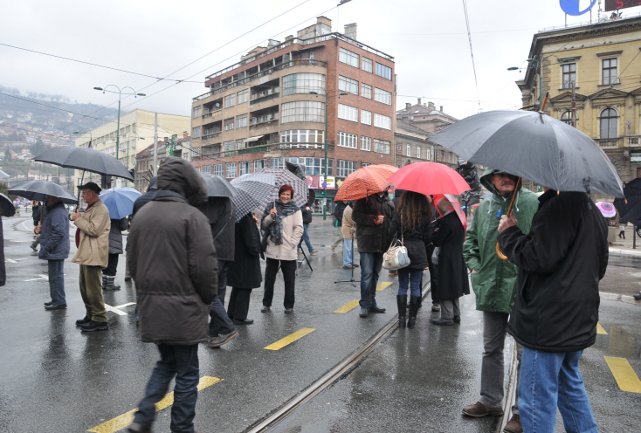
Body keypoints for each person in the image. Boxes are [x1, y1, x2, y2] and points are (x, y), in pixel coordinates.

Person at [497, 189, 608, 433]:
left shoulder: (558, 207)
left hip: (548, 321)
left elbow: (538, 257)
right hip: (577, 316)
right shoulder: (591, 210)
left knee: (536, 397)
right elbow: (600, 267)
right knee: (569, 384)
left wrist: (509, 234)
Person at [126, 157, 217, 433]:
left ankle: (143, 417)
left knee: (166, 362)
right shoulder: (192, 217)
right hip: (185, 310)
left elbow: (133, 263)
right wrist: (208, 298)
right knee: (188, 373)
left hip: (153, 308)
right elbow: (204, 267)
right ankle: (182, 428)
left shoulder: (142, 214)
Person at [462, 169, 538, 432]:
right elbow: (470, 241)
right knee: (491, 347)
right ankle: (490, 400)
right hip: (491, 287)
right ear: (490, 179)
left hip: (523, 288)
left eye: (511, 174)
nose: (506, 178)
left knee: (525, 353)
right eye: (500, 174)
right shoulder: (484, 206)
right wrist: (474, 266)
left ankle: (522, 412)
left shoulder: (532, 203)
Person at [70, 182, 111, 333]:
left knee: (93, 290)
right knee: (84, 288)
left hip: (93, 254)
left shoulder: (101, 209)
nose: (82, 195)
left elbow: (93, 230)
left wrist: (77, 219)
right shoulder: (92, 207)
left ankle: (99, 319)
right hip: (87, 253)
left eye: (85, 192)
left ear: (93, 193)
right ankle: (91, 315)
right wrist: (79, 217)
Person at [388, 191, 432, 328]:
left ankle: (401, 319)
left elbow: (391, 231)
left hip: (403, 250)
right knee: (415, 286)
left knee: (402, 285)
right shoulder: (425, 213)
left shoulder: (400, 211)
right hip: (419, 250)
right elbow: (429, 236)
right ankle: (412, 319)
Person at [199, 195, 238, 348]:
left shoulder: (215, 202)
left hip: (215, 253)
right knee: (218, 295)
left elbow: (206, 224)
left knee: (207, 293)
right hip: (226, 253)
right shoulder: (230, 203)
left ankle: (228, 328)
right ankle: (213, 333)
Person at [261, 184, 303, 313]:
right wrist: (270, 216)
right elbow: (263, 225)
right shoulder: (271, 206)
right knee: (269, 279)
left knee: (289, 279)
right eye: (283, 194)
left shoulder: (295, 209)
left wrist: (292, 243)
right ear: (279, 194)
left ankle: (289, 305)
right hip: (273, 247)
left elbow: (299, 228)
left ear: (291, 196)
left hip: (288, 249)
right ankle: (266, 304)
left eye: (288, 195)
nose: (285, 196)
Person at [352, 191, 394, 318]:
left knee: (375, 275)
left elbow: (391, 221)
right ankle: (364, 305)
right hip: (367, 242)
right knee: (367, 274)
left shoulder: (388, 202)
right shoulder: (364, 199)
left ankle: (371, 302)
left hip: (381, 244)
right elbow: (356, 216)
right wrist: (373, 219)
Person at [430, 196, 469, 326]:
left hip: (446, 258)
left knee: (445, 286)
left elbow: (437, 240)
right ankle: (456, 314)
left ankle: (447, 317)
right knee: (455, 286)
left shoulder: (446, 222)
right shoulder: (459, 218)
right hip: (457, 256)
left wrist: (435, 229)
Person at [227, 211, 262, 324]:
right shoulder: (246, 218)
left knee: (238, 286)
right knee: (245, 287)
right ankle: (240, 317)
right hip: (246, 258)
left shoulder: (236, 215)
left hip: (237, 256)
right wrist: (256, 251)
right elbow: (250, 239)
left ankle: (231, 314)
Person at [40, 195, 70, 310]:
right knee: (54, 277)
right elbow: (52, 229)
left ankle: (59, 301)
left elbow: (58, 233)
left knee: (56, 276)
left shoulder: (58, 212)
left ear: (56, 198)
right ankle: (56, 299)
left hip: (56, 250)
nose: (47, 198)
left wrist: (47, 248)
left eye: (49, 197)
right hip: (55, 250)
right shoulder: (55, 210)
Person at [102, 217, 128, 291]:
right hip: (115, 243)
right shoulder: (119, 215)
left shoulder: (104, 210)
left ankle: (104, 283)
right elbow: (123, 227)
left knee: (105, 264)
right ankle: (110, 285)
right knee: (112, 265)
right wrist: (125, 218)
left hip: (104, 240)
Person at [340, 202, 358, 269]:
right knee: (347, 248)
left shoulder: (350, 208)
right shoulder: (348, 210)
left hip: (350, 230)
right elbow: (352, 221)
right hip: (347, 230)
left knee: (351, 247)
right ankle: (346, 263)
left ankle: (350, 261)